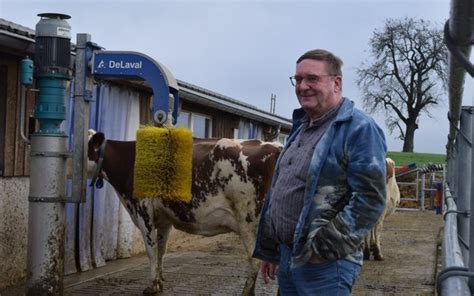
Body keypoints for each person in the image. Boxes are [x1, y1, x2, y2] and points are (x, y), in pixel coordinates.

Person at [253, 49, 387, 295]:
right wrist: (271, 249)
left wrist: (322, 249)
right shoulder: (302, 126)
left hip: (324, 265)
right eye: (298, 79)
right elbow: (283, 188)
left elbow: (371, 199)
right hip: (287, 256)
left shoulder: (359, 129)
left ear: (336, 83)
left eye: (312, 78)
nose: (303, 86)